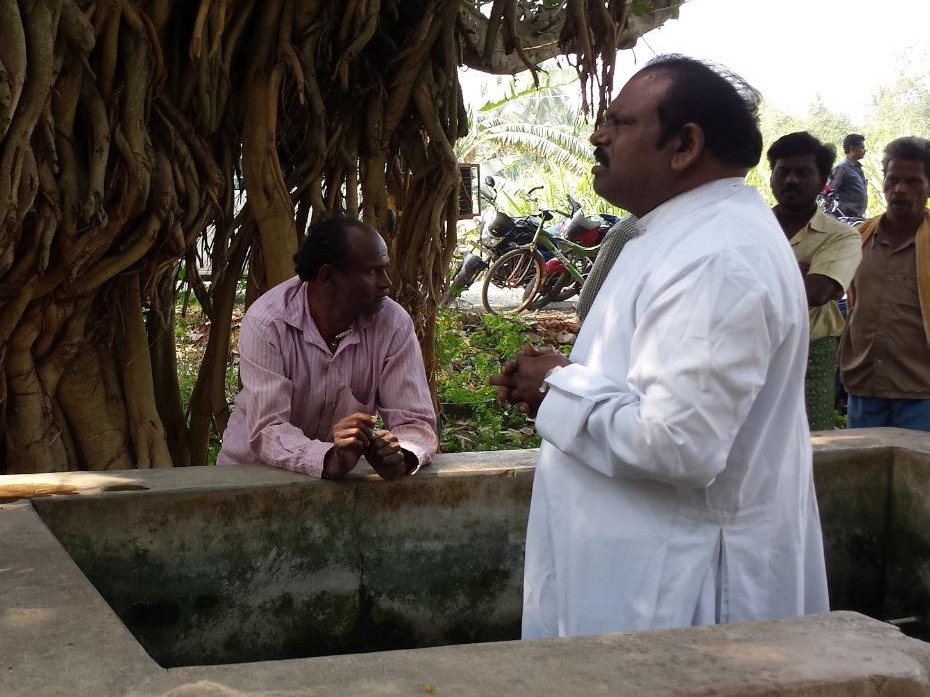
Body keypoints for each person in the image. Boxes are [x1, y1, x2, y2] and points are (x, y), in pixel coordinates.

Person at [491, 55, 828, 639]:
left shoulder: (717, 256)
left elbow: (679, 442)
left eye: (618, 123)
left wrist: (554, 386)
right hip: (638, 578)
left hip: (681, 595)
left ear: (684, 145)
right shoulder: (676, 233)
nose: (598, 136)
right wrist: (565, 380)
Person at [218, 212, 437, 479]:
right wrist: (327, 458)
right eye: (372, 271)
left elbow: (415, 422)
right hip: (255, 477)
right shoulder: (267, 323)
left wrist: (400, 453)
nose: (386, 283)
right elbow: (269, 428)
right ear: (328, 276)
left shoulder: (393, 324)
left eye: (384, 269)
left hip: (339, 484)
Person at [768, 131, 863, 431]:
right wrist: (798, 269)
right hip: (748, 346)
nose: (791, 180)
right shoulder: (751, 227)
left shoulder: (842, 235)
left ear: (822, 179)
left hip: (811, 354)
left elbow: (818, 291)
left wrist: (755, 274)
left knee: (812, 444)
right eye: (783, 171)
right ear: (772, 176)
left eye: (803, 172)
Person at [840, 136, 930, 430]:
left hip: (921, 392)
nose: (900, 190)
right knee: (863, 474)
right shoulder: (860, 238)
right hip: (864, 389)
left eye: (913, 181)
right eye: (893, 180)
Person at [827, 133, 869, 219]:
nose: (865, 150)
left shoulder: (858, 168)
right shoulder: (841, 168)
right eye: (862, 148)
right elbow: (829, 192)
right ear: (852, 148)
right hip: (844, 218)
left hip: (856, 217)